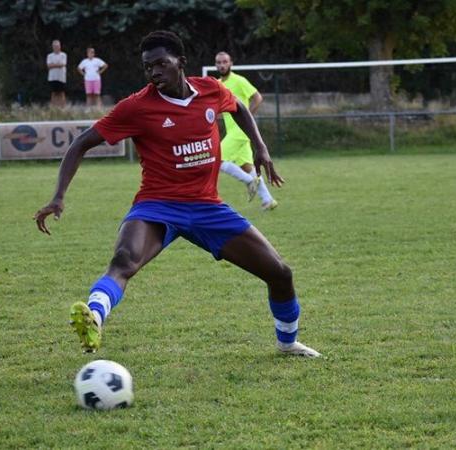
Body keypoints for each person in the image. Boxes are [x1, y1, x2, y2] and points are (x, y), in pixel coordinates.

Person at [35, 30, 320, 358]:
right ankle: (94, 316)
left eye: (160, 64)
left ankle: (287, 344)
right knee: (124, 259)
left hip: (207, 208)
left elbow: (239, 107)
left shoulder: (211, 90)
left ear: (180, 63)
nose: (154, 72)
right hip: (157, 207)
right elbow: (80, 143)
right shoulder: (137, 107)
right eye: (147, 67)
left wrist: (260, 146)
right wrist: (58, 196)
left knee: (280, 273)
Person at [215, 51, 277, 210]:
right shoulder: (217, 84)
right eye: (219, 62)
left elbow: (257, 97)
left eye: (225, 62)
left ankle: (250, 182)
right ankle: (268, 200)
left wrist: (246, 117)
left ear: (231, 63)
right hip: (232, 131)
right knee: (247, 167)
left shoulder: (239, 80)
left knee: (217, 159)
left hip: (240, 130)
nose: (222, 65)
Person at [46, 40, 67, 108]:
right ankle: (53, 107)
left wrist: (54, 65)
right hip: (52, 77)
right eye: (55, 46)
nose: (56, 48)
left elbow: (63, 64)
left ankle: (62, 107)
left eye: (58, 46)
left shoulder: (63, 55)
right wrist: (57, 64)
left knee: (61, 93)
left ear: (60, 47)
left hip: (61, 77)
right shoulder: (49, 56)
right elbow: (49, 66)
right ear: (53, 47)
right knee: (54, 93)